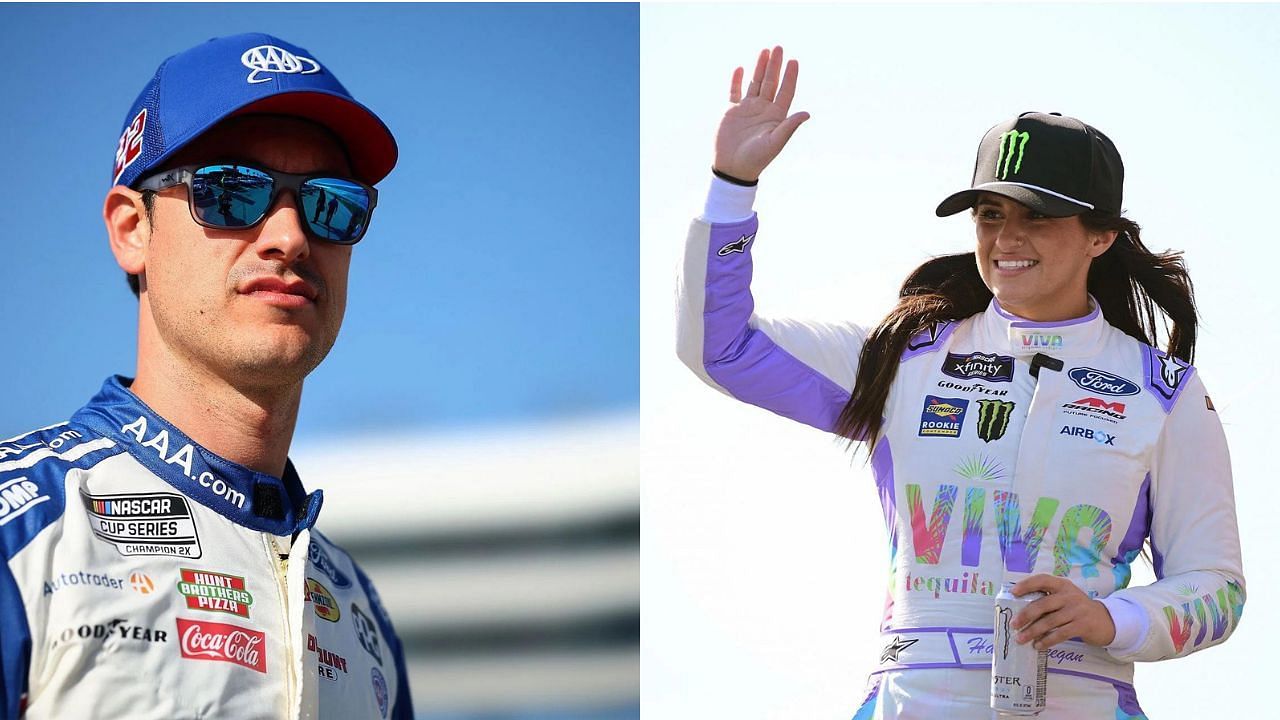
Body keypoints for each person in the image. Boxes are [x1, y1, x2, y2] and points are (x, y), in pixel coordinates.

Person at [676, 47, 1244, 719]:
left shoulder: (1165, 391)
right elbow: (719, 347)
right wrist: (731, 185)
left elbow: (1216, 591)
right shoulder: (901, 358)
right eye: (991, 214)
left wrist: (1109, 618)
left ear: (1101, 236)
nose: (1008, 236)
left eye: (1037, 215)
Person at [0, 34, 411, 719]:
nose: (290, 237)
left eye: (331, 204)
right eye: (230, 192)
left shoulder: (358, 613)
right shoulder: (21, 534)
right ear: (133, 229)